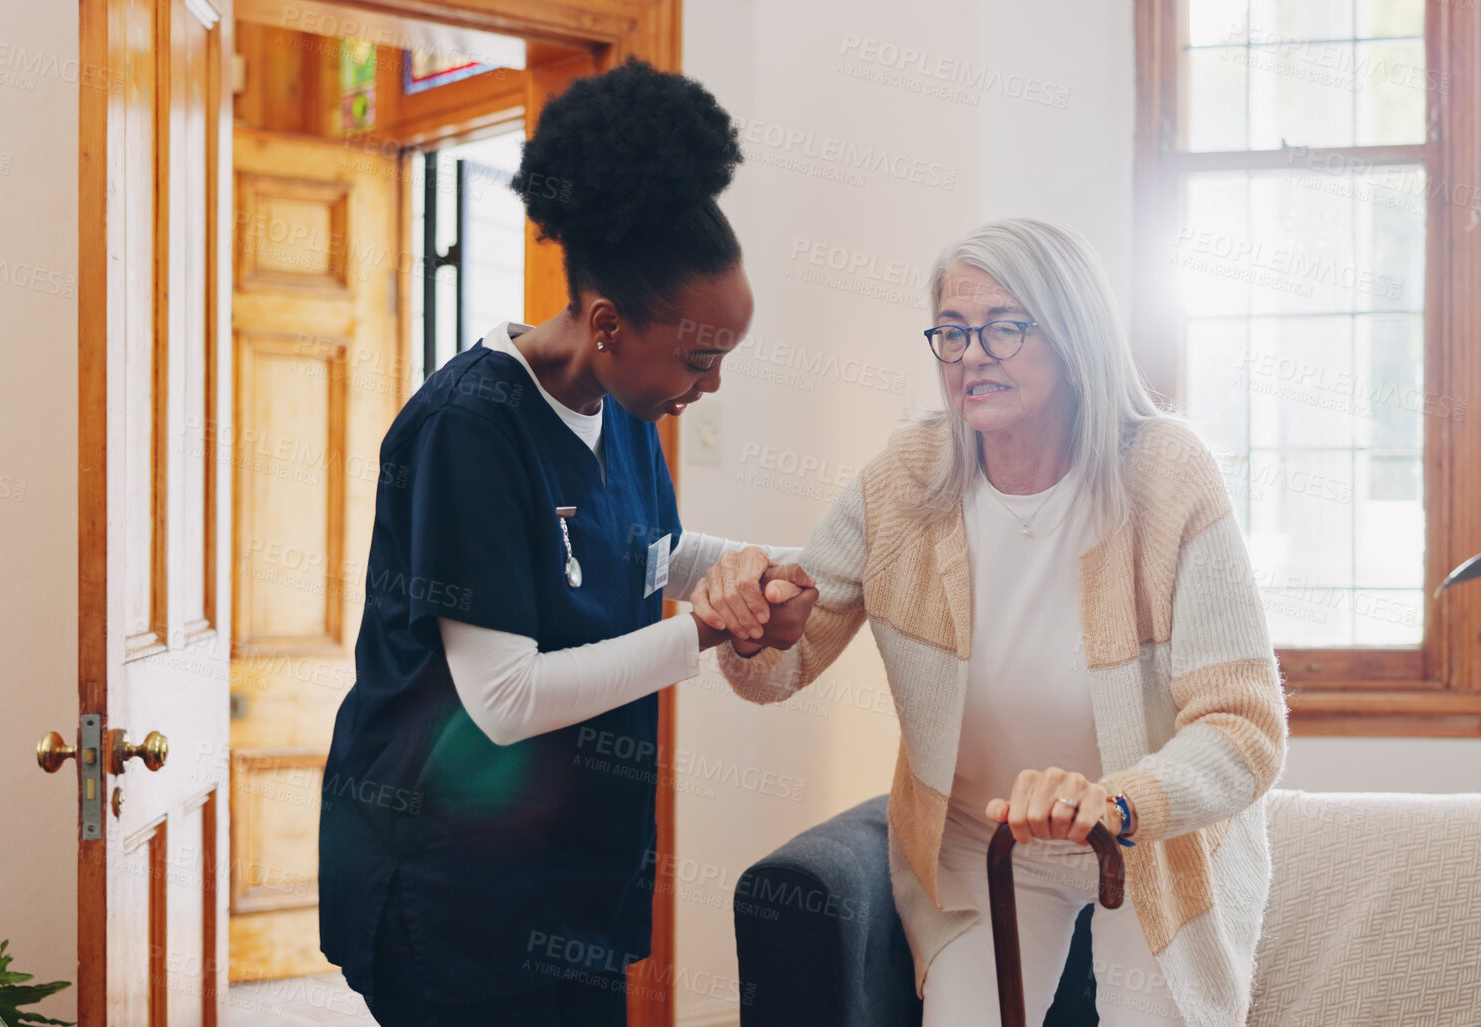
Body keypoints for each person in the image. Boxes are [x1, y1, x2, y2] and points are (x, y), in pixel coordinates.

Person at [318, 60, 814, 1027]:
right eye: (699, 358)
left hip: (569, 866)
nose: (707, 385)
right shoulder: (469, 429)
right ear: (606, 323)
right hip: (450, 882)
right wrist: (707, 634)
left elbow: (647, 549)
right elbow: (503, 699)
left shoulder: (623, 403)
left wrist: (751, 569)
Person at [694, 218, 1288, 1025]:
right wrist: (753, 623)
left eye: (1004, 328)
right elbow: (784, 658)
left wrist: (1116, 803)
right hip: (981, 840)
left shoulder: (1168, 474)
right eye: (951, 331)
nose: (971, 353)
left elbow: (1244, 726)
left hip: (1143, 836)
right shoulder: (904, 480)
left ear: (1074, 335)